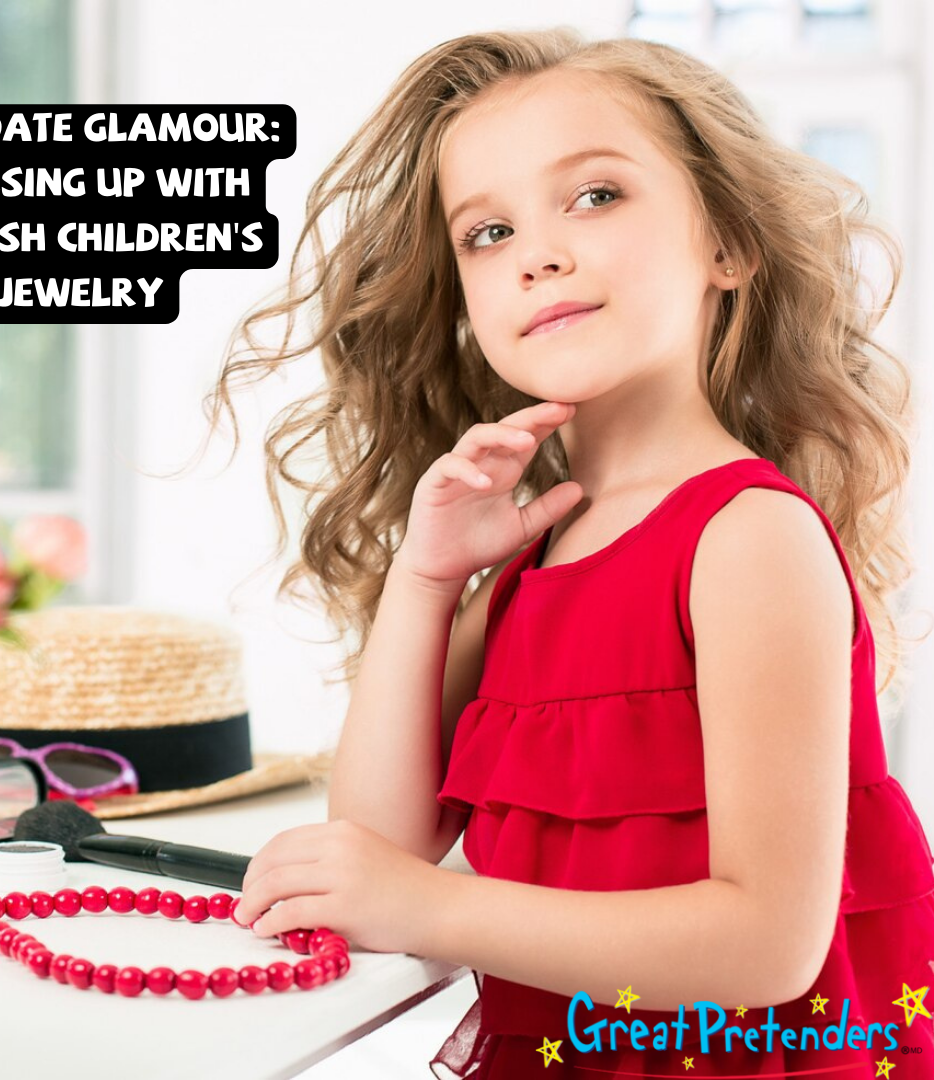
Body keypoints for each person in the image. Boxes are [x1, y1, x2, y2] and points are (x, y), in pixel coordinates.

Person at [223, 27, 934, 1078]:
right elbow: (380, 837)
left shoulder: (747, 537)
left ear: (727, 244)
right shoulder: (537, 550)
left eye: (595, 196)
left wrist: (432, 907)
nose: (537, 253)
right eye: (489, 232)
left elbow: (769, 947)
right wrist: (426, 578)